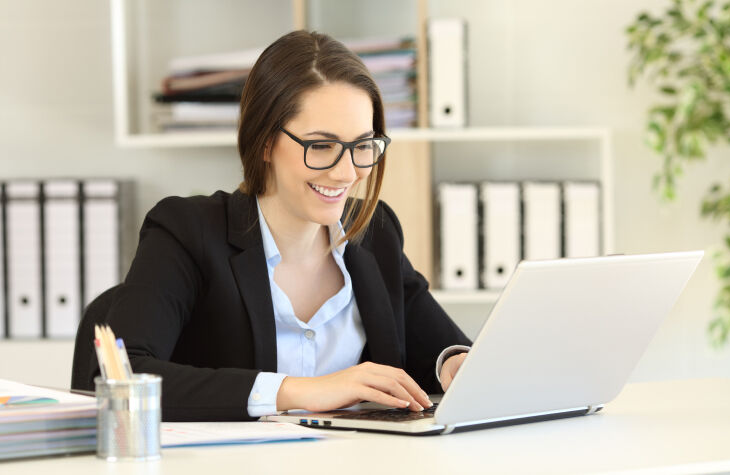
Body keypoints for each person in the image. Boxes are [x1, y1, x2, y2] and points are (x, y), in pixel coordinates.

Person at [106, 30, 471, 422]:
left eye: (363, 146)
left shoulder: (375, 232)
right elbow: (120, 376)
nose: (346, 172)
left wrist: (456, 364)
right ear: (265, 141)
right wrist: (301, 391)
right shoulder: (186, 232)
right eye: (320, 146)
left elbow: (440, 346)